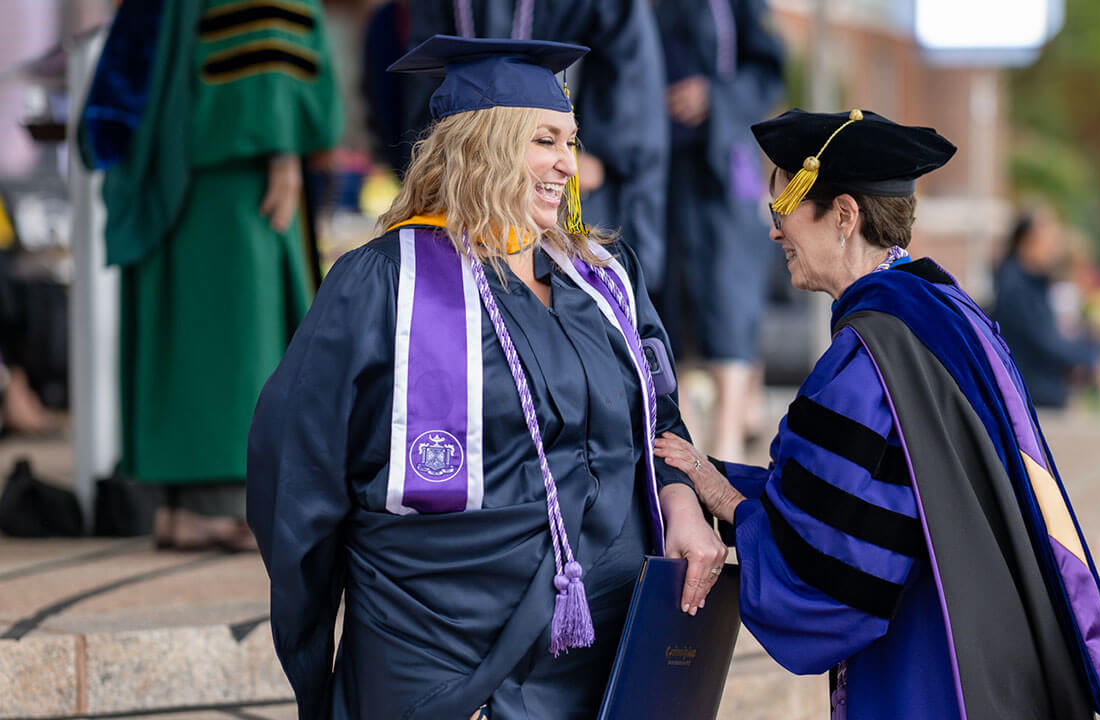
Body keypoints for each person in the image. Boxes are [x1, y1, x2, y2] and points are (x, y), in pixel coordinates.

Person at [246, 36, 725, 719]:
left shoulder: (604, 281)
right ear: (483, 145)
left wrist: (679, 501)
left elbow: (659, 417)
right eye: (545, 140)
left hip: (608, 651)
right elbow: (296, 473)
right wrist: (313, 637)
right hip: (444, 651)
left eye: (571, 141)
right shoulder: (387, 282)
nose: (568, 163)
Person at [655, 108, 1100, 719]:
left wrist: (728, 499)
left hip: (928, 669)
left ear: (843, 216)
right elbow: (851, 494)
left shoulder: (869, 357)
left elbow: (840, 570)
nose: (775, 232)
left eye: (782, 210)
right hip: (992, 633)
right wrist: (714, 478)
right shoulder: (945, 310)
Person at [78, 0, 341, 550]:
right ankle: (221, 506)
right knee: (237, 324)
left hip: (176, 142)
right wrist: (281, 144)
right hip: (234, 153)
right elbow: (265, 30)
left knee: (182, 316)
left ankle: (179, 507)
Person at [399, 0, 670, 290]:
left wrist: (590, 153)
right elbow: (425, 77)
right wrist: (438, 157)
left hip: (576, 182)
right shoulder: (384, 273)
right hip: (467, 177)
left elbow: (631, 64)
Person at [653, 0, 784, 460]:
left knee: (729, 295)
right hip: (654, 163)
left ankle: (726, 453)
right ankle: (677, 449)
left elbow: (768, 70)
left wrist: (713, 95)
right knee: (660, 296)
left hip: (723, 166)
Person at [993, 208, 1100, 409]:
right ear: (1026, 242)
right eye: (1048, 241)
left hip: (1040, 388)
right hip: (1032, 394)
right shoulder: (1017, 287)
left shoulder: (1034, 283)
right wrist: (1088, 359)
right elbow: (1047, 341)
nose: (1054, 249)